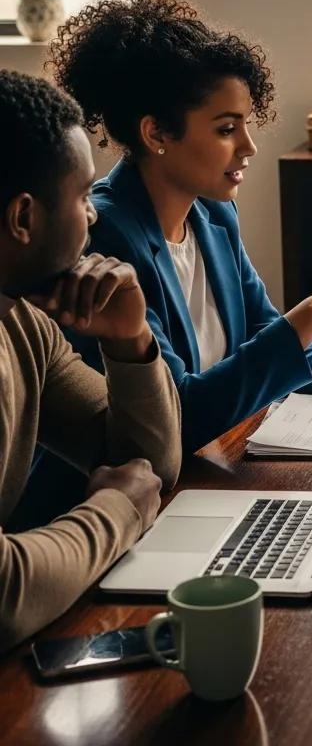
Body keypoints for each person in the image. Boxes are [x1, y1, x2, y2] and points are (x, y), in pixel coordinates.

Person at [46, 0, 312, 456]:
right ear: (156, 132)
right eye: (226, 129)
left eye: (246, 123)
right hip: (128, 491)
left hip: (210, 465)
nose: (249, 146)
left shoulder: (213, 214)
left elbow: (260, 332)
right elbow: (176, 417)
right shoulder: (106, 236)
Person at [0, 70, 180, 651]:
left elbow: (152, 466)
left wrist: (129, 340)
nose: (94, 216)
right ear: (24, 218)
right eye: (83, 196)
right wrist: (116, 512)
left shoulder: (24, 322)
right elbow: (4, 595)